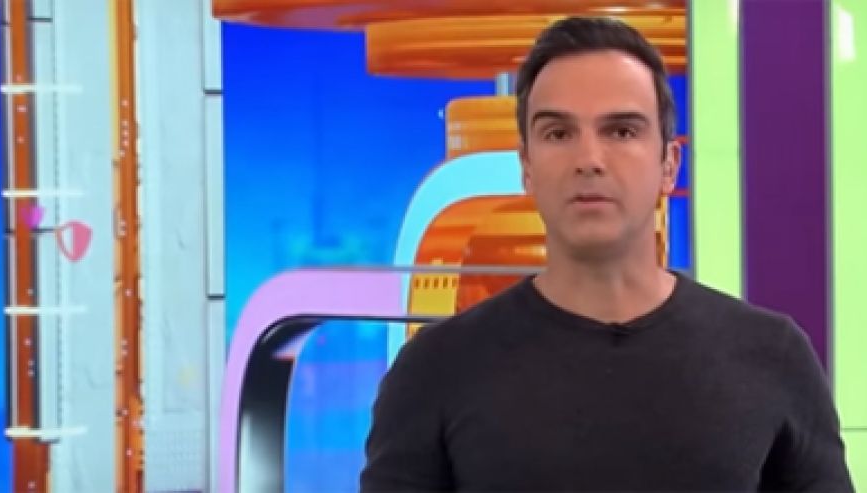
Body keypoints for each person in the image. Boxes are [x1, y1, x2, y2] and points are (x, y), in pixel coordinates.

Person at [360, 16, 854, 492]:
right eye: (559, 134)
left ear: (669, 164)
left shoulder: (773, 355)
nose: (589, 160)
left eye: (621, 131)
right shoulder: (436, 369)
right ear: (527, 166)